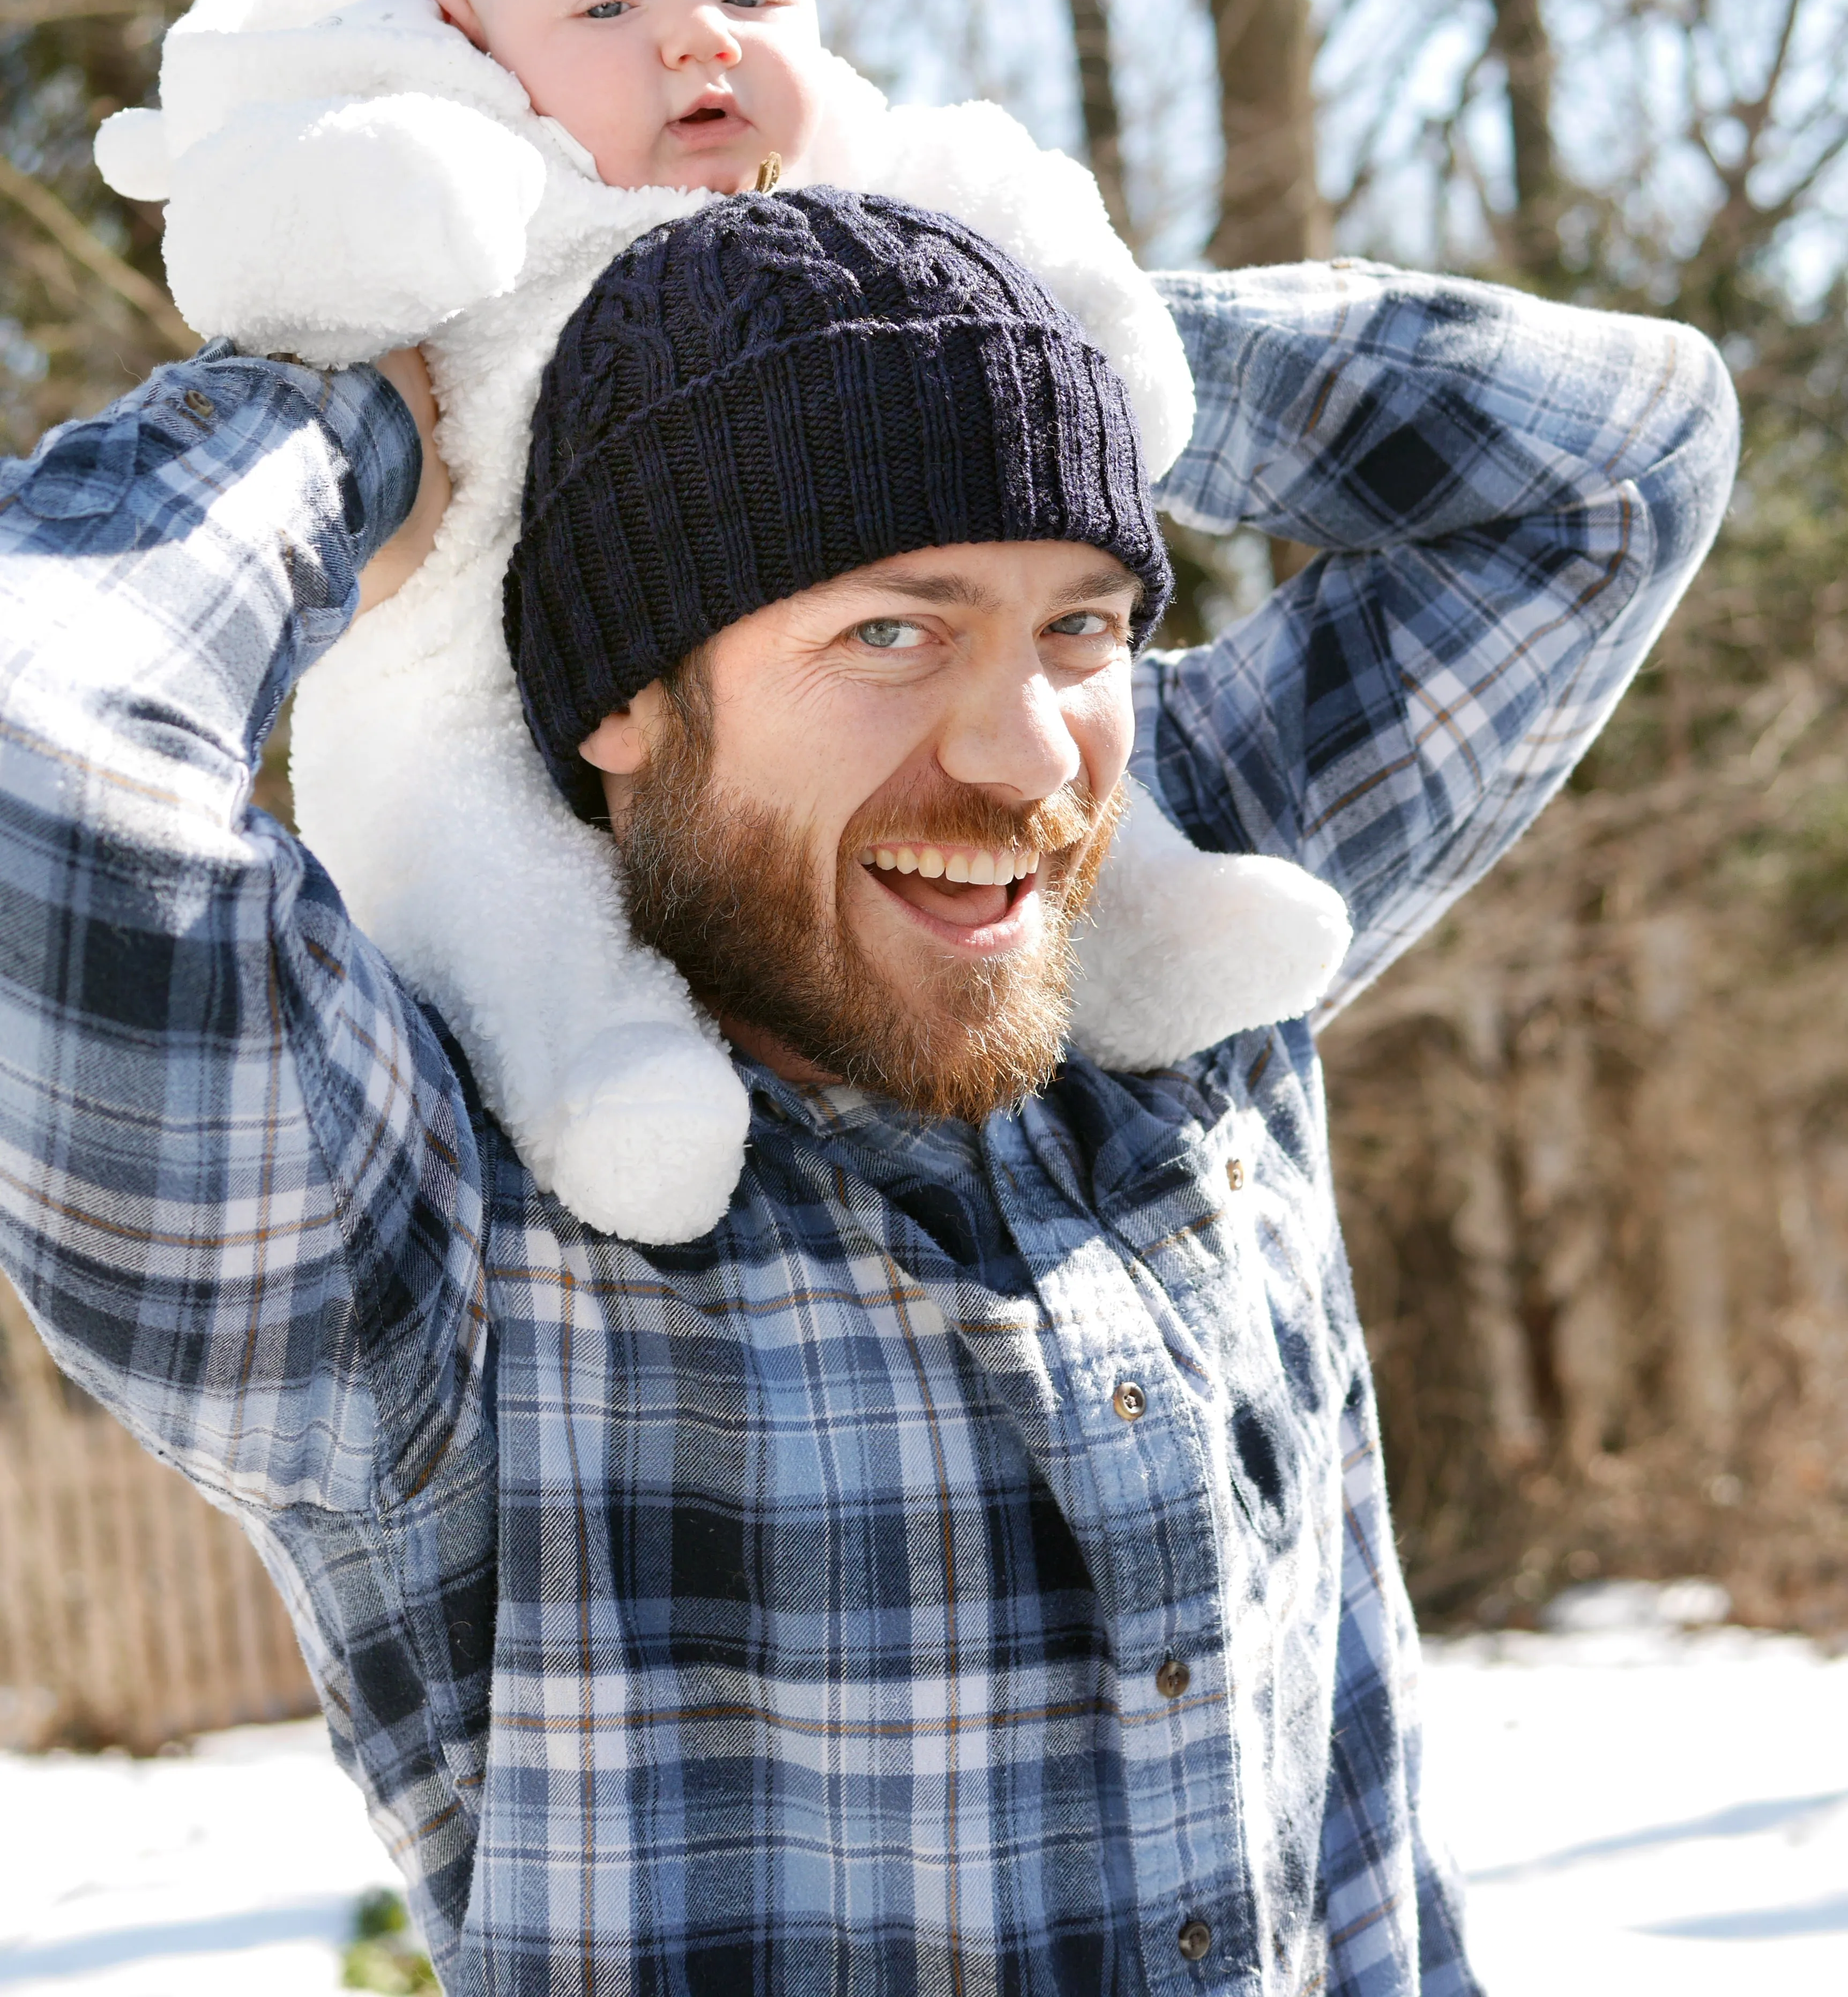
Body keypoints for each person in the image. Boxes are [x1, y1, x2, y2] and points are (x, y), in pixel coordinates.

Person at [0, 176, 1734, 1993]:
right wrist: (369, 404)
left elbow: (1620, 460)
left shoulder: (1176, 944)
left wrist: (1075, 322)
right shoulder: (428, 1236)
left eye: (1082, 625)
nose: (1026, 752)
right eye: (889, 634)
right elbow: (45, 750)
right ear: (626, 701)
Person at [92, 0, 1342, 1249]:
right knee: (474, 857)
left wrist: (1052, 346)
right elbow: (264, 258)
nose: (699, 39)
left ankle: (1151, 923)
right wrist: (353, 427)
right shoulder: (485, 186)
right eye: (606, 10)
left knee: (1056, 761)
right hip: (456, 668)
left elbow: (1629, 446)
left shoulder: (878, 189)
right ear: (474, 44)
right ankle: (598, 1076)